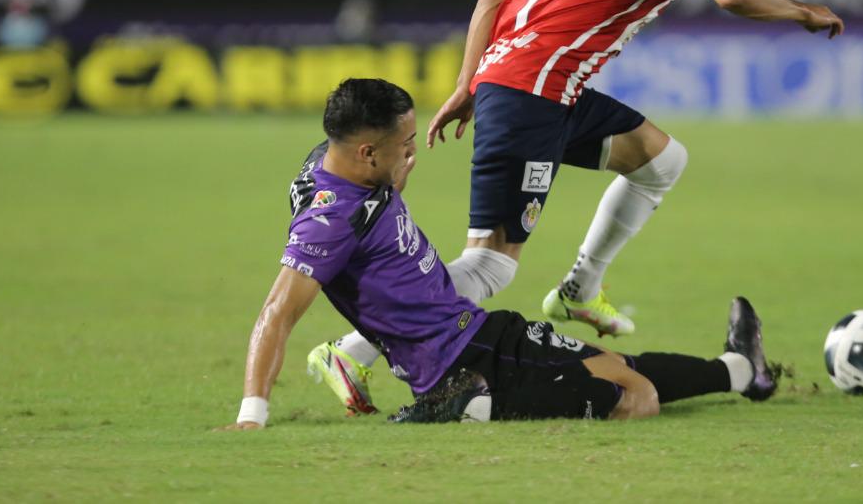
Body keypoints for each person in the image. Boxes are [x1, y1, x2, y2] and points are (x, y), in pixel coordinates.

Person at [310, 0, 840, 414]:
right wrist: (802, 11)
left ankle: (580, 290)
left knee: (662, 159)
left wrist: (469, 79)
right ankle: (351, 350)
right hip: (530, 95)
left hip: (539, 87)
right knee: (489, 263)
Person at [220, 78, 777, 430]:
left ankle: (738, 370)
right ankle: (453, 407)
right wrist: (253, 415)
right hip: (461, 359)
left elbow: (365, 214)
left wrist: (392, 179)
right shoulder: (330, 221)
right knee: (636, 396)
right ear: (367, 152)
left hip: (482, 333)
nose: (415, 153)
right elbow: (277, 312)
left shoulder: (332, 162)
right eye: (405, 146)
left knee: (623, 369)